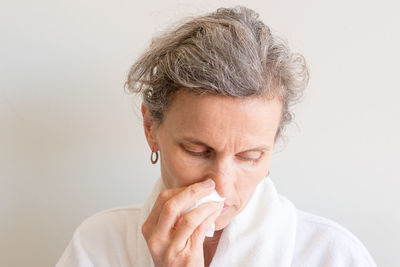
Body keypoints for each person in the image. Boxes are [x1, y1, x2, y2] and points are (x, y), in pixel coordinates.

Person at [56, 6, 377, 267]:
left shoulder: (332, 255)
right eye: (197, 151)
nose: (222, 186)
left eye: (249, 156)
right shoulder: (98, 245)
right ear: (151, 129)